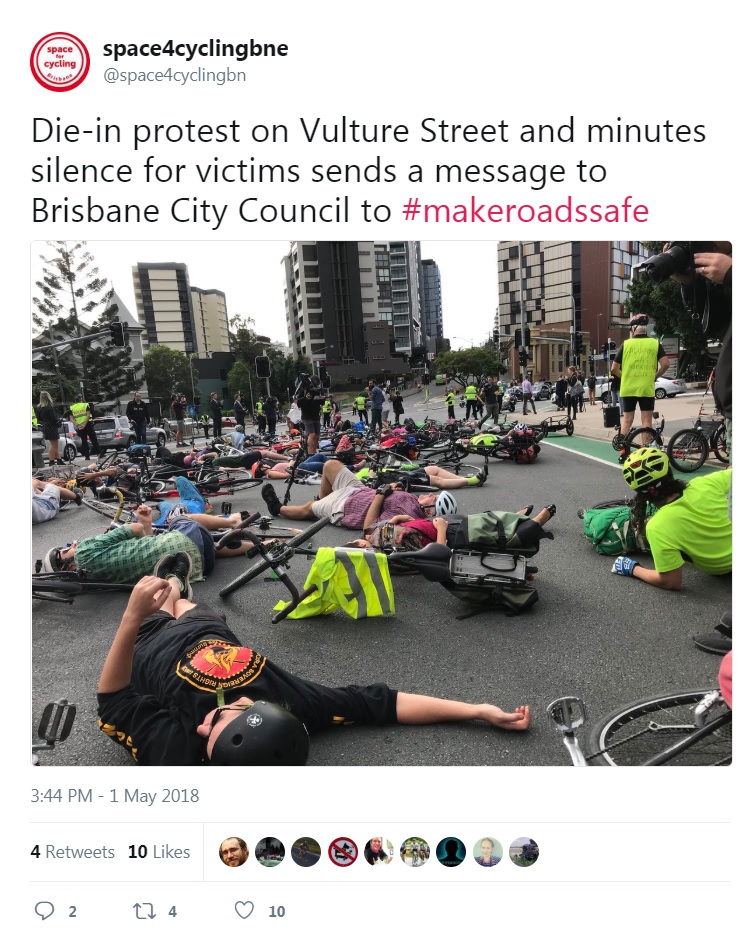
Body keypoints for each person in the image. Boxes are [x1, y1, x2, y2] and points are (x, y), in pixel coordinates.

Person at [96, 575, 532, 765]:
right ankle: (176, 588)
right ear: (255, 708)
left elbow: (112, 699)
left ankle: (166, 589)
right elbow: (382, 703)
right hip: (208, 630)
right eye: (215, 724)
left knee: (156, 593)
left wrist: (132, 618)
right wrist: (477, 709)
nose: (199, 728)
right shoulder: (298, 707)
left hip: (148, 643)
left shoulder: (176, 753)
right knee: (177, 592)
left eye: (206, 738)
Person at [612, 448, 732, 611]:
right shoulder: (704, 483)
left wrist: (633, 569)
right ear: (669, 472)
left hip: (725, 569)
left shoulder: (657, 527)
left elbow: (671, 581)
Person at [38, 504, 256, 585]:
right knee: (179, 518)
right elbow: (135, 530)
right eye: (67, 547)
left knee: (197, 547)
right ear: (65, 556)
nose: (72, 544)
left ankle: (262, 543)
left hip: (198, 567)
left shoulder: (92, 579)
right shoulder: (85, 549)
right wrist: (140, 524)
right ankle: (231, 521)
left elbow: (146, 549)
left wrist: (147, 524)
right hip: (189, 539)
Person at [259, 461, 485, 526]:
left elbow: (370, 527)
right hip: (359, 491)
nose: (431, 495)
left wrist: (381, 494)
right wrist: (393, 488)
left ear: (429, 510)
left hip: (347, 507)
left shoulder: (407, 516)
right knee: (330, 465)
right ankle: (322, 502)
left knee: (307, 508)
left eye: (434, 499)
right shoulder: (413, 501)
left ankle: (277, 508)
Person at [611, 313, 670, 460]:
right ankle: (645, 454)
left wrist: (624, 377)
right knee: (646, 421)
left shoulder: (626, 344)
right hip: (646, 388)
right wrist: (654, 377)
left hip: (628, 388)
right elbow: (665, 364)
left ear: (634, 328)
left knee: (627, 420)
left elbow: (613, 368)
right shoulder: (655, 343)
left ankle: (623, 453)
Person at [36, 391, 61, 466]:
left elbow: (39, 418)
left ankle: (59, 459)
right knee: (54, 444)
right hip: (52, 426)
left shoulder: (38, 408)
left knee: (54, 444)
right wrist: (58, 422)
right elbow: (53, 418)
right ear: (48, 397)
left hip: (45, 426)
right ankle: (51, 461)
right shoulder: (49, 407)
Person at [299, 388, 326, 455]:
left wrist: (322, 396)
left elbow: (322, 402)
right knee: (312, 434)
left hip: (315, 416)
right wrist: (306, 398)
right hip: (307, 417)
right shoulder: (304, 391)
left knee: (317, 436)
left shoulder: (318, 391)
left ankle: (313, 452)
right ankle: (309, 453)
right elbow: (299, 403)